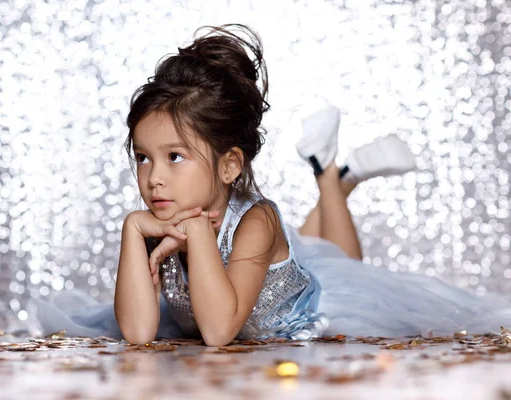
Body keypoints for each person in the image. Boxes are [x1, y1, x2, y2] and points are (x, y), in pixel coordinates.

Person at [33, 24, 511, 346]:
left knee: (340, 260)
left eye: (175, 157)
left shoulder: (256, 221)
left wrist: (199, 235)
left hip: (312, 312)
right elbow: (138, 332)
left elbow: (219, 332)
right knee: (317, 246)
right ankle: (336, 181)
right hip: (254, 276)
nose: (154, 176)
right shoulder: (159, 219)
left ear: (229, 165)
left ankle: (330, 179)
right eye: (142, 158)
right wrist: (132, 232)